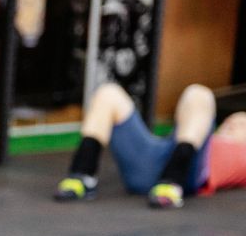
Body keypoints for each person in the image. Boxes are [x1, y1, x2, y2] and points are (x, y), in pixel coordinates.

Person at [55, 82, 246, 208]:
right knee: (108, 93)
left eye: (242, 124)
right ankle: (82, 175)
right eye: (230, 120)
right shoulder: (202, 133)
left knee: (199, 94)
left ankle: (172, 182)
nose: (232, 123)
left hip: (186, 172)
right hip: (155, 158)